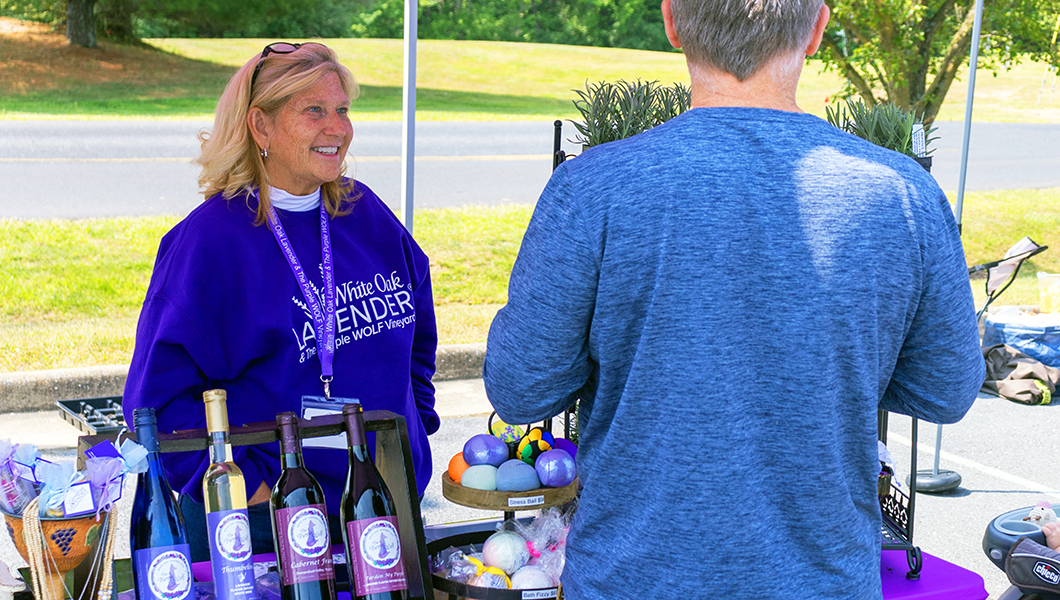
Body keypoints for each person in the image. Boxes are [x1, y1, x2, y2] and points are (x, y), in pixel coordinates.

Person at [482, 0, 985, 598]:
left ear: (671, 22)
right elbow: (945, 389)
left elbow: (521, 388)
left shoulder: (594, 189)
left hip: (634, 581)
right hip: (824, 582)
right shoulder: (903, 195)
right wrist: (835, 359)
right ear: (818, 29)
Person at [122, 42, 439, 561]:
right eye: (314, 111)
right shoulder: (210, 243)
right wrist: (252, 491)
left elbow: (418, 340)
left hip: (384, 513)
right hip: (271, 529)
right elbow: (154, 404)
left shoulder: (366, 214)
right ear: (260, 127)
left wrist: (410, 441)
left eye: (342, 110)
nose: (337, 128)